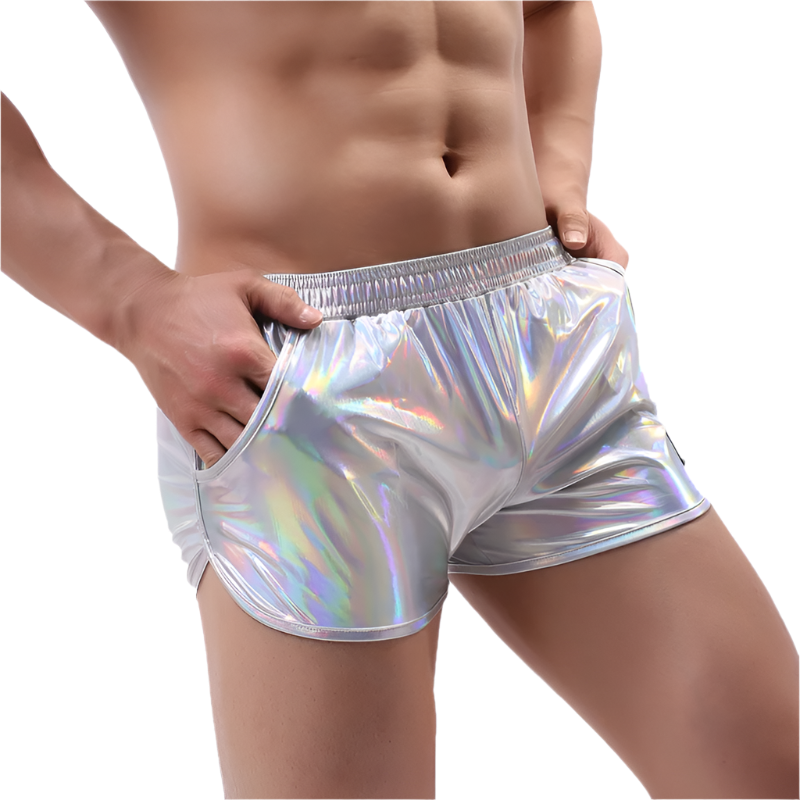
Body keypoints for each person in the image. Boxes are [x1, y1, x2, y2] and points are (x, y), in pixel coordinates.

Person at [1, 1, 797, 797]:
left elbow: (554, 8)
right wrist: (130, 299)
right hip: (305, 394)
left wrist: (559, 173)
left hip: (556, 353)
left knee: (771, 769)